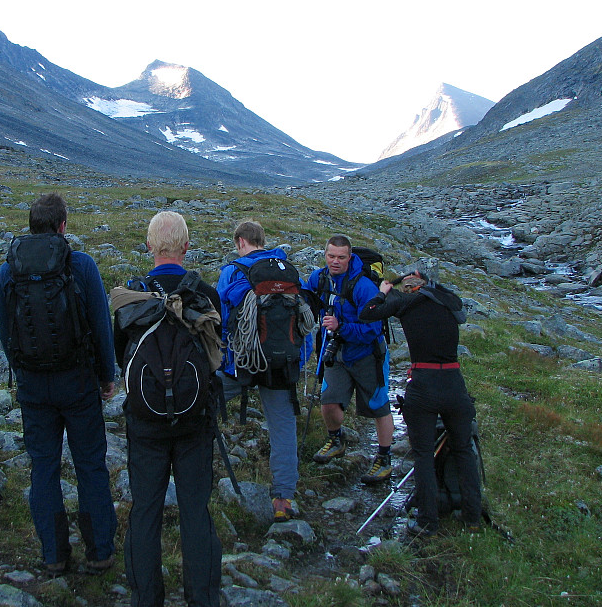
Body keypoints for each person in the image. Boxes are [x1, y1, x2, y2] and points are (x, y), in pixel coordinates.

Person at [0, 193, 117, 574]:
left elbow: (4, 330)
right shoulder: (80, 265)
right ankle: (99, 552)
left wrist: (22, 370)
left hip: (32, 385)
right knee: (90, 464)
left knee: (43, 466)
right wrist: (106, 376)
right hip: (78, 382)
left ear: (31, 225)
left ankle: (53, 555)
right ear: (63, 226)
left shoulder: (6, 272)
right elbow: (101, 326)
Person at [114, 211, 222, 607]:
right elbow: (216, 354)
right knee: (196, 509)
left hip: (145, 422)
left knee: (145, 509)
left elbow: (119, 357)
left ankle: (146, 597)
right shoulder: (204, 294)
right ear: (186, 246)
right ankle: (203, 597)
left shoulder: (133, 295)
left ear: (149, 246)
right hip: (196, 422)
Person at [359, 272, 483, 536]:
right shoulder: (449, 302)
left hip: (423, 383)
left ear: (415, 288)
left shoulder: (407, 303)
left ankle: (428, 520)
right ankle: (473, 517)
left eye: (409, 286)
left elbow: (367, 312)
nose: (408, 288)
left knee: (424, 454)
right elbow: (447, 295)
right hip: (454, 382)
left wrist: (383, 292)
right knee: (463, 450)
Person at [217, 220, 308, 522]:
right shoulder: (288, 270)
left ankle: (194, 472)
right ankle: (283, 497)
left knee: (204, 404)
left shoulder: (233, 271)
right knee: (282, 426)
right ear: (261, 240)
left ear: (241, 241)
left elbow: (220, 319)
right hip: (281, 365)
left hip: (240, 364)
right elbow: (304, 321)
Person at [304, 235, 395, 484]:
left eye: (341, 257)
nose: (335, 261)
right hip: (336, 353)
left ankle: (384, 458)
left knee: (378, 406)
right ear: (325, 254)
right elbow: (306, 294)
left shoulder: (364, 286)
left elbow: (373, 330)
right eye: (331, 256)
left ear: (350, 257)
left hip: (367, 355)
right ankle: (336, 439)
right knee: (328, 402)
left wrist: (341, 327)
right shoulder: (319, 278)